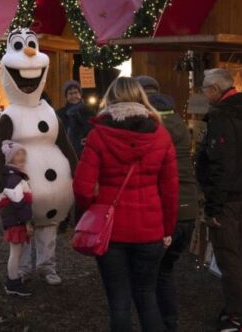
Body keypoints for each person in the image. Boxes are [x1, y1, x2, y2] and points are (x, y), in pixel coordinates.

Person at [73, 76, 179, 332]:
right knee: (147, 296)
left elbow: (82, 187)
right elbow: (170, 189)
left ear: (110, 98)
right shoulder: (161, 135)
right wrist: (167, 229)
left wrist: (89, 212)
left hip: (111, 232)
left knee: (119, 301)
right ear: (141, 97)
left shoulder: (99, 135)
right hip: (150, 230)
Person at [196, 69, 242, 332]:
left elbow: (220, 163)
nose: (203, 93)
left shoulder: (222, 116)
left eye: (204, 88)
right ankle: (236, 308)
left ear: (215, 89)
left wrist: (213, 204)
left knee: (229, 258)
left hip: (226, 198)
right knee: (236, 253)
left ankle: (235, 316)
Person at [137, 75, 199, 332]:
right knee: (165, 272)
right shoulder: (180, 124)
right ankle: (169, 323)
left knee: (147, 278)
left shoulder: (150, 127)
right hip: (189, 209)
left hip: (165, 209)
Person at [0, 140, 34, 297]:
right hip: (16, 221)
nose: (21, 157)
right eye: (18, 154)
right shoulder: (14, 178)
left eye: (23, 154)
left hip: (14, 220)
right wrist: (27, 222)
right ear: (10, 158)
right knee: (15, 252)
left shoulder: (13, 175)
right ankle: (13, 283)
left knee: (16, 252)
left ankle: (12, 280)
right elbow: (19, 203)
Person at [57, 80, 94, 158]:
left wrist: (89, 138)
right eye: (70, 93)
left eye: (76, 92)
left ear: (80, 94)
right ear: (66, 96)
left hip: (84, 152)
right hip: (64, 151)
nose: (73, 96)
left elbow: (94, 129)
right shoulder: (60, 113)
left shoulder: (89, 111)